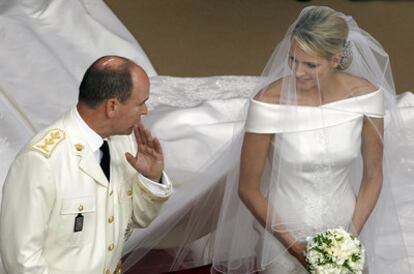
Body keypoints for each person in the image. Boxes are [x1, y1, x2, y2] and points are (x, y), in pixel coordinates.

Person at [212, 6, 411, 274]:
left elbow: (373, 176)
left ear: (336, 58)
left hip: (345, 228)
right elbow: (248, 187)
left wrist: (347, 240)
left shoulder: (366, 97)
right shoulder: (268, 103)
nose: (298, 72)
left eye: (311, 65)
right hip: (282, 236)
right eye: (293, 59)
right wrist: (294, 248)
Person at [0, 55, 173, 274]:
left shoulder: (123, 143)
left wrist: (152, 178)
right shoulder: (42, 162)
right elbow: (22, 262)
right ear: (112, 106)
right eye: (140, 103)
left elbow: (137, 218)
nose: (145, 111)